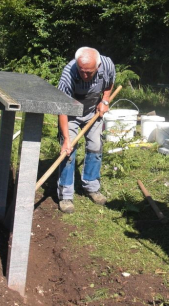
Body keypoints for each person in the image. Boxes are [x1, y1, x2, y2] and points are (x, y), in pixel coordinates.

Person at [56, 47, 116, 214]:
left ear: (97, 66)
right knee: (68, 152)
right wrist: (66, 139)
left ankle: (91, 186)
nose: (85, 75)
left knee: (96, 146)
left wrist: (104, 100)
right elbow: (62, 107)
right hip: (71, 114)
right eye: (82, 71)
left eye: (89, 72)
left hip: (92, 112)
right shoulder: (69, 73)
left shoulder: (107, 65)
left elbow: (110, 83)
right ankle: (66, 195)